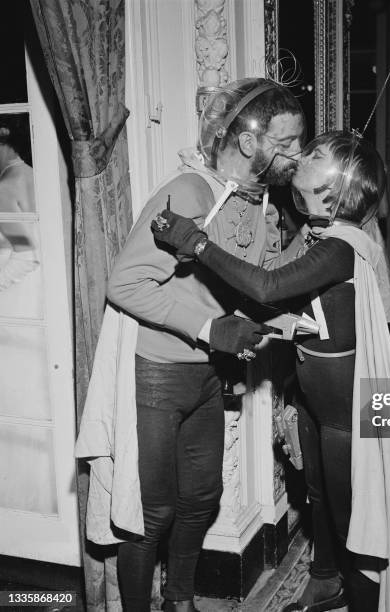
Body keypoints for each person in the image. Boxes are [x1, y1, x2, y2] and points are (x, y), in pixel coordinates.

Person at [151, 131, 390, 612]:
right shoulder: (318, 236)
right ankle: (326, 580)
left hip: (346, 417)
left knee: (354, 521)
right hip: (313, 400)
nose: (304, 156)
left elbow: (266, 286)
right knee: (319, 498)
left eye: (317, 155)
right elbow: (259, 277)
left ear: (338, 186)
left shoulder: (341, 246)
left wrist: (196, 243)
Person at [75, 78, 306, 612]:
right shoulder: (191, 193)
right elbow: (125, 284)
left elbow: (249, 280)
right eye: (286, 143)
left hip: (206, 376)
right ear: (250, 144)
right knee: (149, 513)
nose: (295, 154)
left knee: (201, 499)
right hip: (157, 375)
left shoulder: (256, 200)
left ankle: (179, 601)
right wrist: (208, 329)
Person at [0, 115, 38, 291]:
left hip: (14, 293)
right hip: (35, 287)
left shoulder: (5, 187)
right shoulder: (32, 173)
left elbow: (25, 257)